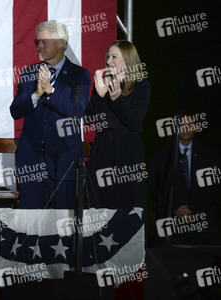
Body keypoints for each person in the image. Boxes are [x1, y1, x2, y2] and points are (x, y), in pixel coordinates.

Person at [10, 20, 91, 209]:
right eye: (37, 42)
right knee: (32, 224)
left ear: (61, 43)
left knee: (64, 224)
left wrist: (50, 91)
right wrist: (37, 94)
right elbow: (15, 110)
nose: (39, 46)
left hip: (64, 160)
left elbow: (75, 111)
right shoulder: (30, 72)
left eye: (44, 42)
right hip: (31, 160)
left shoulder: (79, 75)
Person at [84, 40, 151, 210]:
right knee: (99, 203)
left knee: (124, 204)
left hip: (127, 153)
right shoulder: (104, 83)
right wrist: (99, 95)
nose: (108, 61)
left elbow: (134, 123)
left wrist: (116, 100)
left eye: (114, 56)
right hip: (102, 149)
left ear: (127, 59)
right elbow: (89, 118)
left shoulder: (141, 85)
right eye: (108, 56)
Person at [149, 113, 220, 244]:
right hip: (171, 227)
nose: (186, 129)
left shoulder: (210, 156)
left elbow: (212, 189)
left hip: (200, 228)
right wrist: (174, 208)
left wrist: (193, 209)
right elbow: (156, 187)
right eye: (182, 125)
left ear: (197, 128)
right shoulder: (161, 156)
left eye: (190, 125)